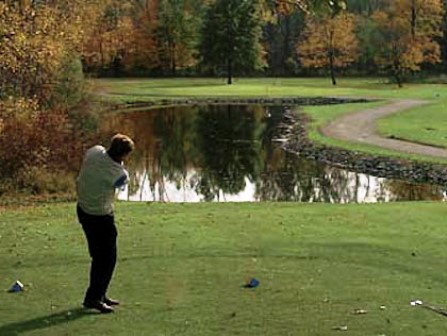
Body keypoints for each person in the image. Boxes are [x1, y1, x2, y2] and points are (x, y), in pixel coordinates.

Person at [76, 134, 135, 313]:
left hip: (83, 210)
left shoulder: (95, 151)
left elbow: (92, 158)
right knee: (107, 258)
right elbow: (122, 182)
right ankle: (93, 298)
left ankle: (99, 294)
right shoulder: (119, 173)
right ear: (123, 155)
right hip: (100, 216)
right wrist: (120, 164)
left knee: (98, 257)